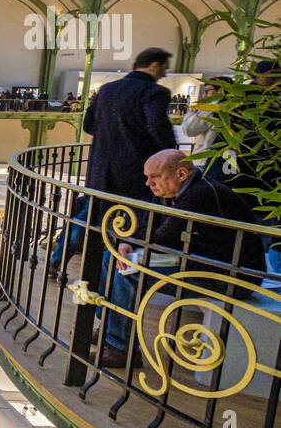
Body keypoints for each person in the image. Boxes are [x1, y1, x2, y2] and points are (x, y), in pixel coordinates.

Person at [97, 149, 265, 368]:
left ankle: (120, 348)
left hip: (231, 276)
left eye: (154, 177)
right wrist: (126, 242)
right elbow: (149, 224)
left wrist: (130, 240)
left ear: (182, 174)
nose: (148, 183)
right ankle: (110, 327)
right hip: (200, 263)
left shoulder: (199, 194)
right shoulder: (174, 190)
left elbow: (163, 239)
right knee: (111, 257)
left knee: (130, 273)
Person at [82, 47, 176, 204]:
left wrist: (111, 138)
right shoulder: (155, 91)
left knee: (92, 213)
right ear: (155, 66)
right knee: (132, 218)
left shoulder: (107, 89)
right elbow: (158, 127)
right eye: (164, 68)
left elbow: (88, 124)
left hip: (100, 167)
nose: (164, 74)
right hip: (135, 169)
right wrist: (170, 154)